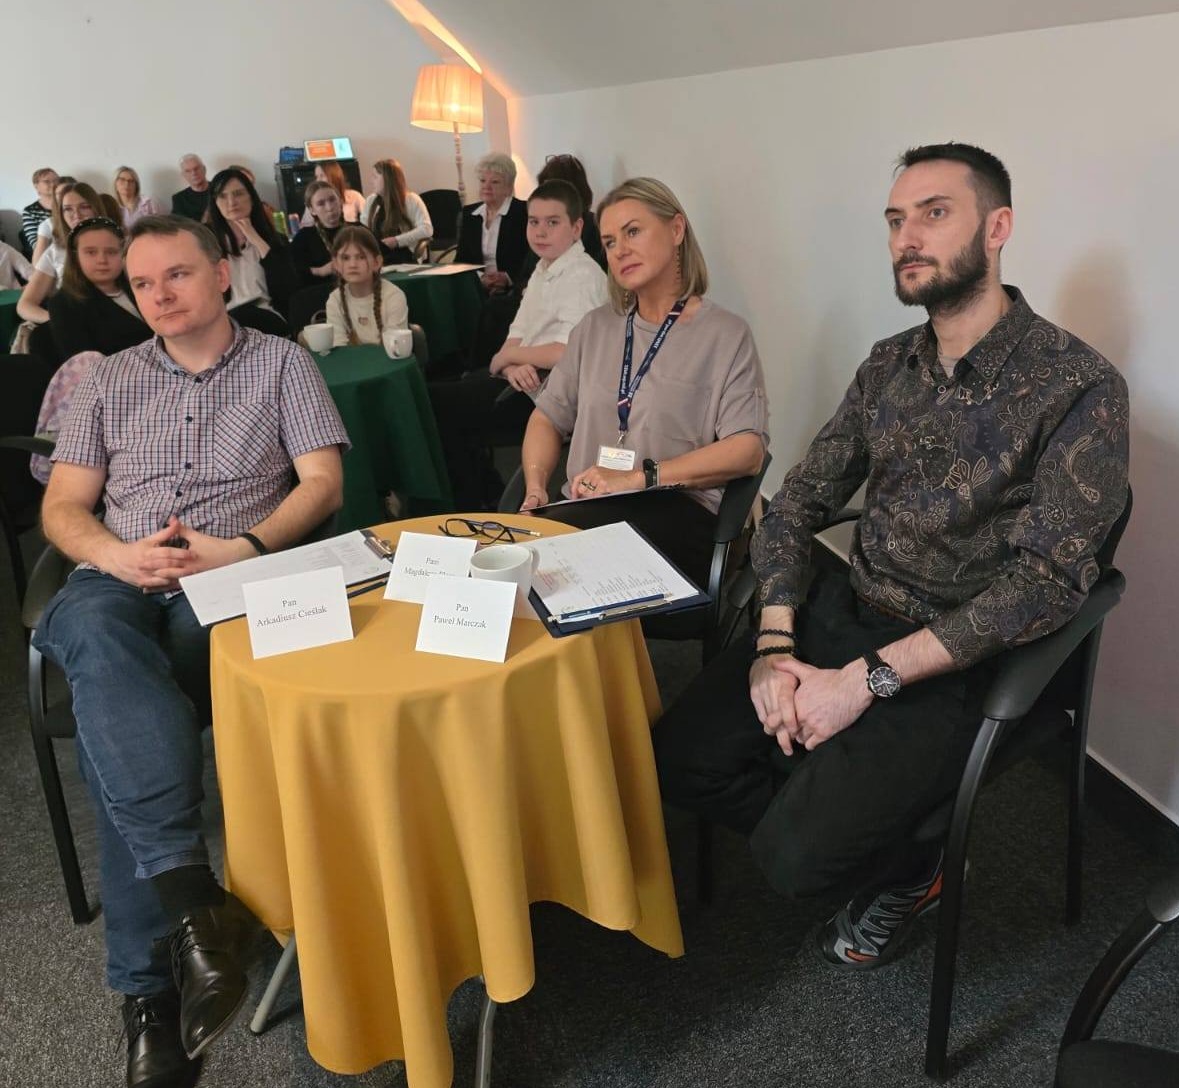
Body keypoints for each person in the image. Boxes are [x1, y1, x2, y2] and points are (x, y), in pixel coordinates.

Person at [652, 143, 1131, 971]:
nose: (906, 237)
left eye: (934, 214)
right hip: (845, 607)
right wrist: (773, 645)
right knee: (674, 761)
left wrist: (858, 685)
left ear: (997, 228)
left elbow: (1044, 584)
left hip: (955, 655)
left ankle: (913, 871)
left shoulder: (1078, 386)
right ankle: (850, 816)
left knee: (791, 863)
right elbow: (797, 501)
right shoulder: (887, 366)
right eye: (895, 219)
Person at [31, 213, 348, 1088]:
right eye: (143, 283)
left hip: (233, 581)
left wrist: (242, 548)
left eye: (176, 274)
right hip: (117, 577)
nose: (159, 295)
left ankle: (148, 991)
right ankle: (196, 912)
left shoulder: (282, 363)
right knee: (100, 644)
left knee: (114, 718)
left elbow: (324, 482)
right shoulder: (108, 377)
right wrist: (113, 555)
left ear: (220, 275)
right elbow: (63, 507)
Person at [519, 176, 768, 588]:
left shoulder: (725, 335)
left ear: (676, 229)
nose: (620, 250)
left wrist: (639, 478)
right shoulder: (594, 328)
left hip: (674, 512)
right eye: (610, 242)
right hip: (585, 509)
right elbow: (547, 417)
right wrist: (535, 486)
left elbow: (748, 451)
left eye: (633, 231)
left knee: (540, 572)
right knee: (520, 562)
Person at [429, 179, 609, 509]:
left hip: (549, 395)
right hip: (522, 378)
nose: (540, 232)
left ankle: (470, 500)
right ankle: (482, 491)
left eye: (552, 222)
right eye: (533, 221)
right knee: (437, 398)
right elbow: (514, 337)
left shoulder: (582, 276)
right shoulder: (544, 268)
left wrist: (510, 356)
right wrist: (511, 364)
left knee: (437, 406)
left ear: (576, 228)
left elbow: (568, 352)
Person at [205, 167, 298, 335]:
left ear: (252, 198)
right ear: (215, 203)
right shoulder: (206, 243)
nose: (232, 202)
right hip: (226, 324)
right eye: (223, 196)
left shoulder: (274, 240)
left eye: (238, 194)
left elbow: (288, 288)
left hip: (268, 321)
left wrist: (254, 237)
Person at [46, 217, 151, 360]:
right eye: (91, 252)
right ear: (76, 257)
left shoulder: (140, 285)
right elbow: (84, 364)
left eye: (111, 252)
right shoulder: (63, 304)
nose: (102, 260)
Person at [17, 181, 101, 325]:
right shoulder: (55, 251)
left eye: (84, 207)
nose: (77, 215)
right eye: (68, 209)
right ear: (61, 214)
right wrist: (61, 321)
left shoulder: (118, 244)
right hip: (72, 321)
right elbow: (25, 305)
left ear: (96, 209)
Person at [324, 226, 409, 349]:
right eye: (345, 258)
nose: (352, 264)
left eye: (361, 257)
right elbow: (339, 349)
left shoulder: (393, 296)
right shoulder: (335, 300)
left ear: (377, 262)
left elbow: (396, 348)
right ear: (336, 264)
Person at [456, 152, 530, 291]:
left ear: (509, 187)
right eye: (483, 181)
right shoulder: (469, 214)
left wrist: (507, 278)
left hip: (515, 288)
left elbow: (530, 258)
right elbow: (461, 260)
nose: (486, 186)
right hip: (476, 288)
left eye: (495, 182)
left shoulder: (524, 212)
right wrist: (480, 278)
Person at [362, 158, 433, 264]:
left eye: (375, 177)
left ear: (388, 179)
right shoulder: (371, 201)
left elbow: (427, 229)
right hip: (377, 256)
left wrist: (397, 241)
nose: (371, 181)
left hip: (404, 255)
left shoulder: (411, 199)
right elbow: (363, 229)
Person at [291, 180, 347, 287]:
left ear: (340, 201)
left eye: (332, 200)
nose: (329, 208)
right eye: (321, 204)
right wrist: (320, 271)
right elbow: (293, 273)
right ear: (312, 210)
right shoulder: (303, 238)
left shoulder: (358, 230)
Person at [30, 175, 78, 268]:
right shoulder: (48, 224)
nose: (64, 197)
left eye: (67, 192)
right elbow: (37, 264)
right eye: (59, 193)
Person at [300, 161, 365, 225]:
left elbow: (367, 217)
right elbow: (305, 225)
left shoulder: (354, 195)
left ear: (333, 176)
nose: (318, 180)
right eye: (317, 176)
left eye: (322, 175)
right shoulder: (313, 200)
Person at [21, 167, 59, 253]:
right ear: (36, 186)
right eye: (47, 181)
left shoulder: (67, 205)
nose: (53, 184)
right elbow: (35, 243)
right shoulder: (30, 211)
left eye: (56, 180)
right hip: (47, 254)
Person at [171, 154, 211, 221]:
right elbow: (178, 224)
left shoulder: (219, 189)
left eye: (196, 169)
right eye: (188, 171)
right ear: (183, 175)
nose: (193, 173)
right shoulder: (179, 199)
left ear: (204, 169)